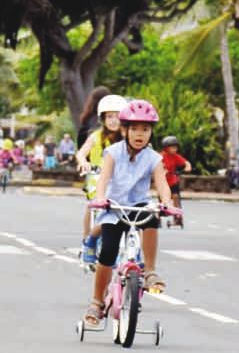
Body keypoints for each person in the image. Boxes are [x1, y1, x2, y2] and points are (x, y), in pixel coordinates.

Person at [84, 99, 177, 325]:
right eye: (134, 128)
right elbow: (104, 177)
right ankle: (97, 302)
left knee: (152, 218)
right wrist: (101, 197)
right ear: (124, 130)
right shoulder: (113, 152)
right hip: (113, 207)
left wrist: (166, 202)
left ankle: (150, 272)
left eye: (145, 129)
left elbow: (162, 183)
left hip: (139, 206)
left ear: (151, 133)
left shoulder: (154, 158)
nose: (139, 134)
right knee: (107, 251)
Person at [76, 92, 126, 267]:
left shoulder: (129, 137)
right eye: (109, 116)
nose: (113, 120)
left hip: (120, 182)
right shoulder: (95, 136)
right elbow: (82, 153)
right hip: (97, 180)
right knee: (92, 207)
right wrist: (83, 162)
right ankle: (87, 241)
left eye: (117, 116)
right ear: (102, 119)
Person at [159, 134, 193, 199]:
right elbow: (157, 165)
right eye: (173, 147)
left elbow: (186, 162)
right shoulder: (161, 156)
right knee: (162, 198)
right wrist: (162, 170)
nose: (175, 149)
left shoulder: (175, 156)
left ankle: (178, 208)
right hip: (163, 181)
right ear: (166, 148)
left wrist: (187, 167)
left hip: (172, 180)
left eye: (176, 147)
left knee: (175, 196)